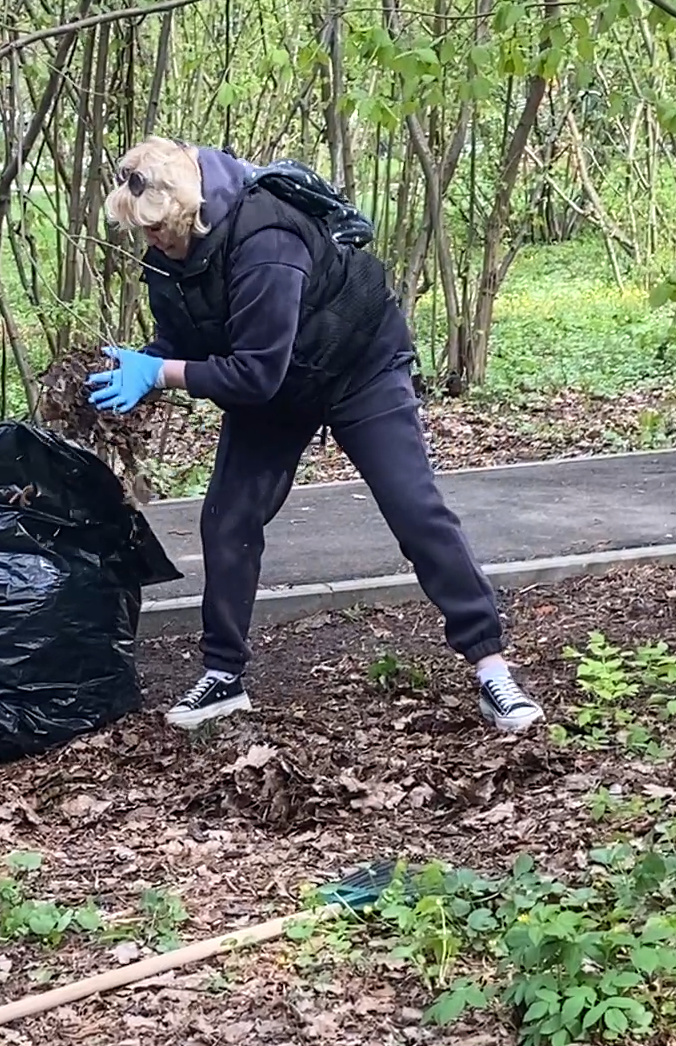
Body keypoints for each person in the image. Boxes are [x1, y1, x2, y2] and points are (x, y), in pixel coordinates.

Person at [88, 136, 544, 735]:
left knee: (415, 510)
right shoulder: (166, 258)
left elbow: (254, 372)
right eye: (143, 234)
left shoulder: (266, 241)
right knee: (227, 519)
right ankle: (223, 676)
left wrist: (164, 375)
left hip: (358, 368)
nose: (152, 244)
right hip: (279, 385)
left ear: (187, 211)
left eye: (158, 231)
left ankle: (492, 669)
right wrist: (144, 365)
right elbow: (187, 339)